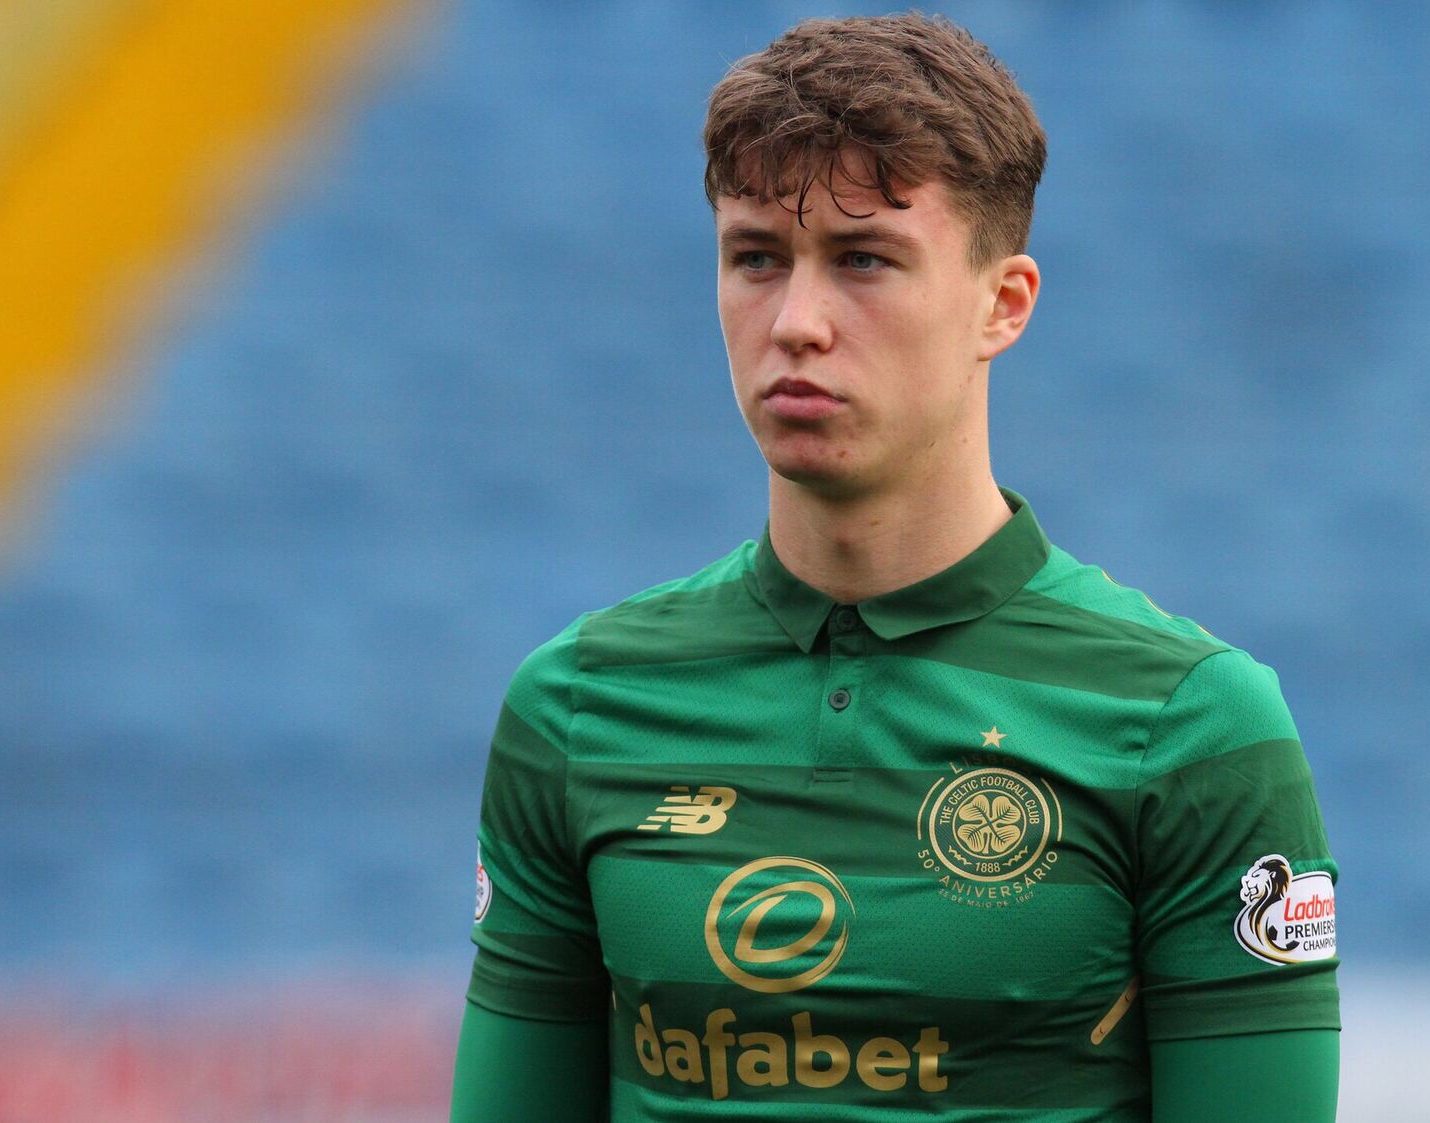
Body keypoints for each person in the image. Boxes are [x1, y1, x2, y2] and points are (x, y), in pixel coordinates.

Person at [450, 13, 1340, 1122]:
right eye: (755, 258)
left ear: (1001, 304)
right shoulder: (578, 705)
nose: (796, 322)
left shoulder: (1191, 725)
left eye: (863, 260)